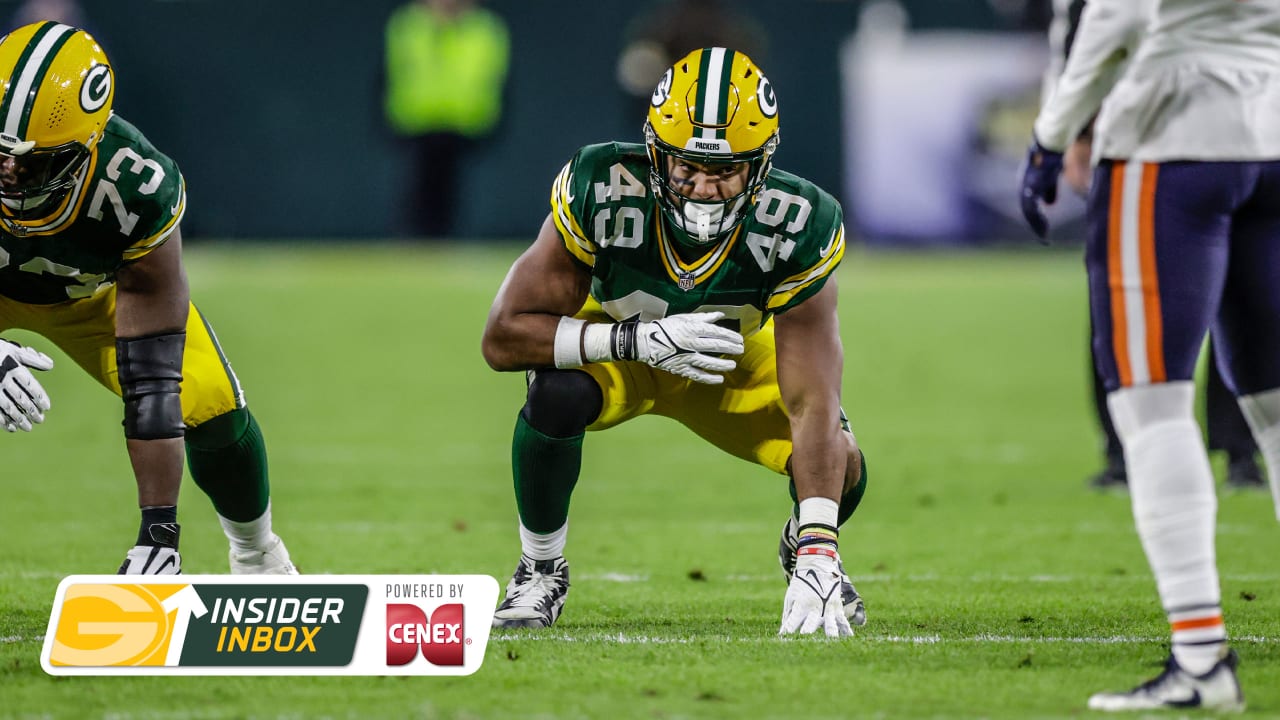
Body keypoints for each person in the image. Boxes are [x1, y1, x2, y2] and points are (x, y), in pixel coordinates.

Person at [481, 47, 868, 637]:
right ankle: (540, 569)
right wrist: (635, 339)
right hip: (622, 352)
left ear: (760, 167)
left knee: (842, 463)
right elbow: (504, 337)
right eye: (686, 168)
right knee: (556, 393)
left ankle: (804, 558)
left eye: (725, 172)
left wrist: (821, 541)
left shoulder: (799, 220)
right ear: (656, 154)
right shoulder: (603, 184)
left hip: (726, 362)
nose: (704, 189)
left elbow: (812, 396)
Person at [1020, 0, 1280, 710]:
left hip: (1174, 132)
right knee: (1276, 407)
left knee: (1150, 403)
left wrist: (1050, 132)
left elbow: (1117, 13)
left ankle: (1201, 662)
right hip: (1274, 128)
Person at [0, 22, 297, 576]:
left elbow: (154, 375)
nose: (10, 173)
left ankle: (257, 552)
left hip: (91, 295)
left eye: (32, 161)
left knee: (211, 406)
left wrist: (158, 528)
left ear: (86, 148)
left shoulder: (135, 185)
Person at [1042, 0, 1266, 494]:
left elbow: (1103, 19)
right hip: (1265, 131)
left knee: (1146, 371)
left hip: (1162, 135)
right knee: (1253, 329)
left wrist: (1058, 134)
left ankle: (1136, 455)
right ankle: (1241, 452)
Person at [382, 0, 509, 239]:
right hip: (416, 122)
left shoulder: (484, 27)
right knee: (415, 193)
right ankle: (410, 244)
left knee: (451, 196)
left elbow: (491, 74)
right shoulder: (408, 23)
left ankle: (447, 245)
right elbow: (393, 71)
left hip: (464, 124)